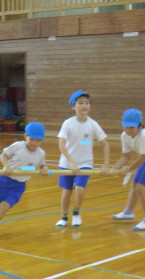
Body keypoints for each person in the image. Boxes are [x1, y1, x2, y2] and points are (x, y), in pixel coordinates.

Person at [0, 122, 48, 240]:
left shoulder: (41, 153)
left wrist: (44, 168)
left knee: (4, 209)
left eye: (38, 140)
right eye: (32, 139)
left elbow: (41, 164)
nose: (34, 143)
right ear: (25, 136)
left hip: (19, 186)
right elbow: (3, 155)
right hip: (4, 180)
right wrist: (7, 166)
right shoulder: (18, 146)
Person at [55, 90, 110, 229]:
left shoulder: (93, 124)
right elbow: (61, 145)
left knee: (80, 189)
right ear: (73, 107)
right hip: (67, 164)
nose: (84, 106)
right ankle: (63, 217)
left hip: (85, 164)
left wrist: (105, 164)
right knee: (67, 192)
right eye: (80, 103)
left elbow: (105, 144)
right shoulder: (67, 124)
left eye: (87, 103)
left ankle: (76, 213)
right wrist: (72, 163)